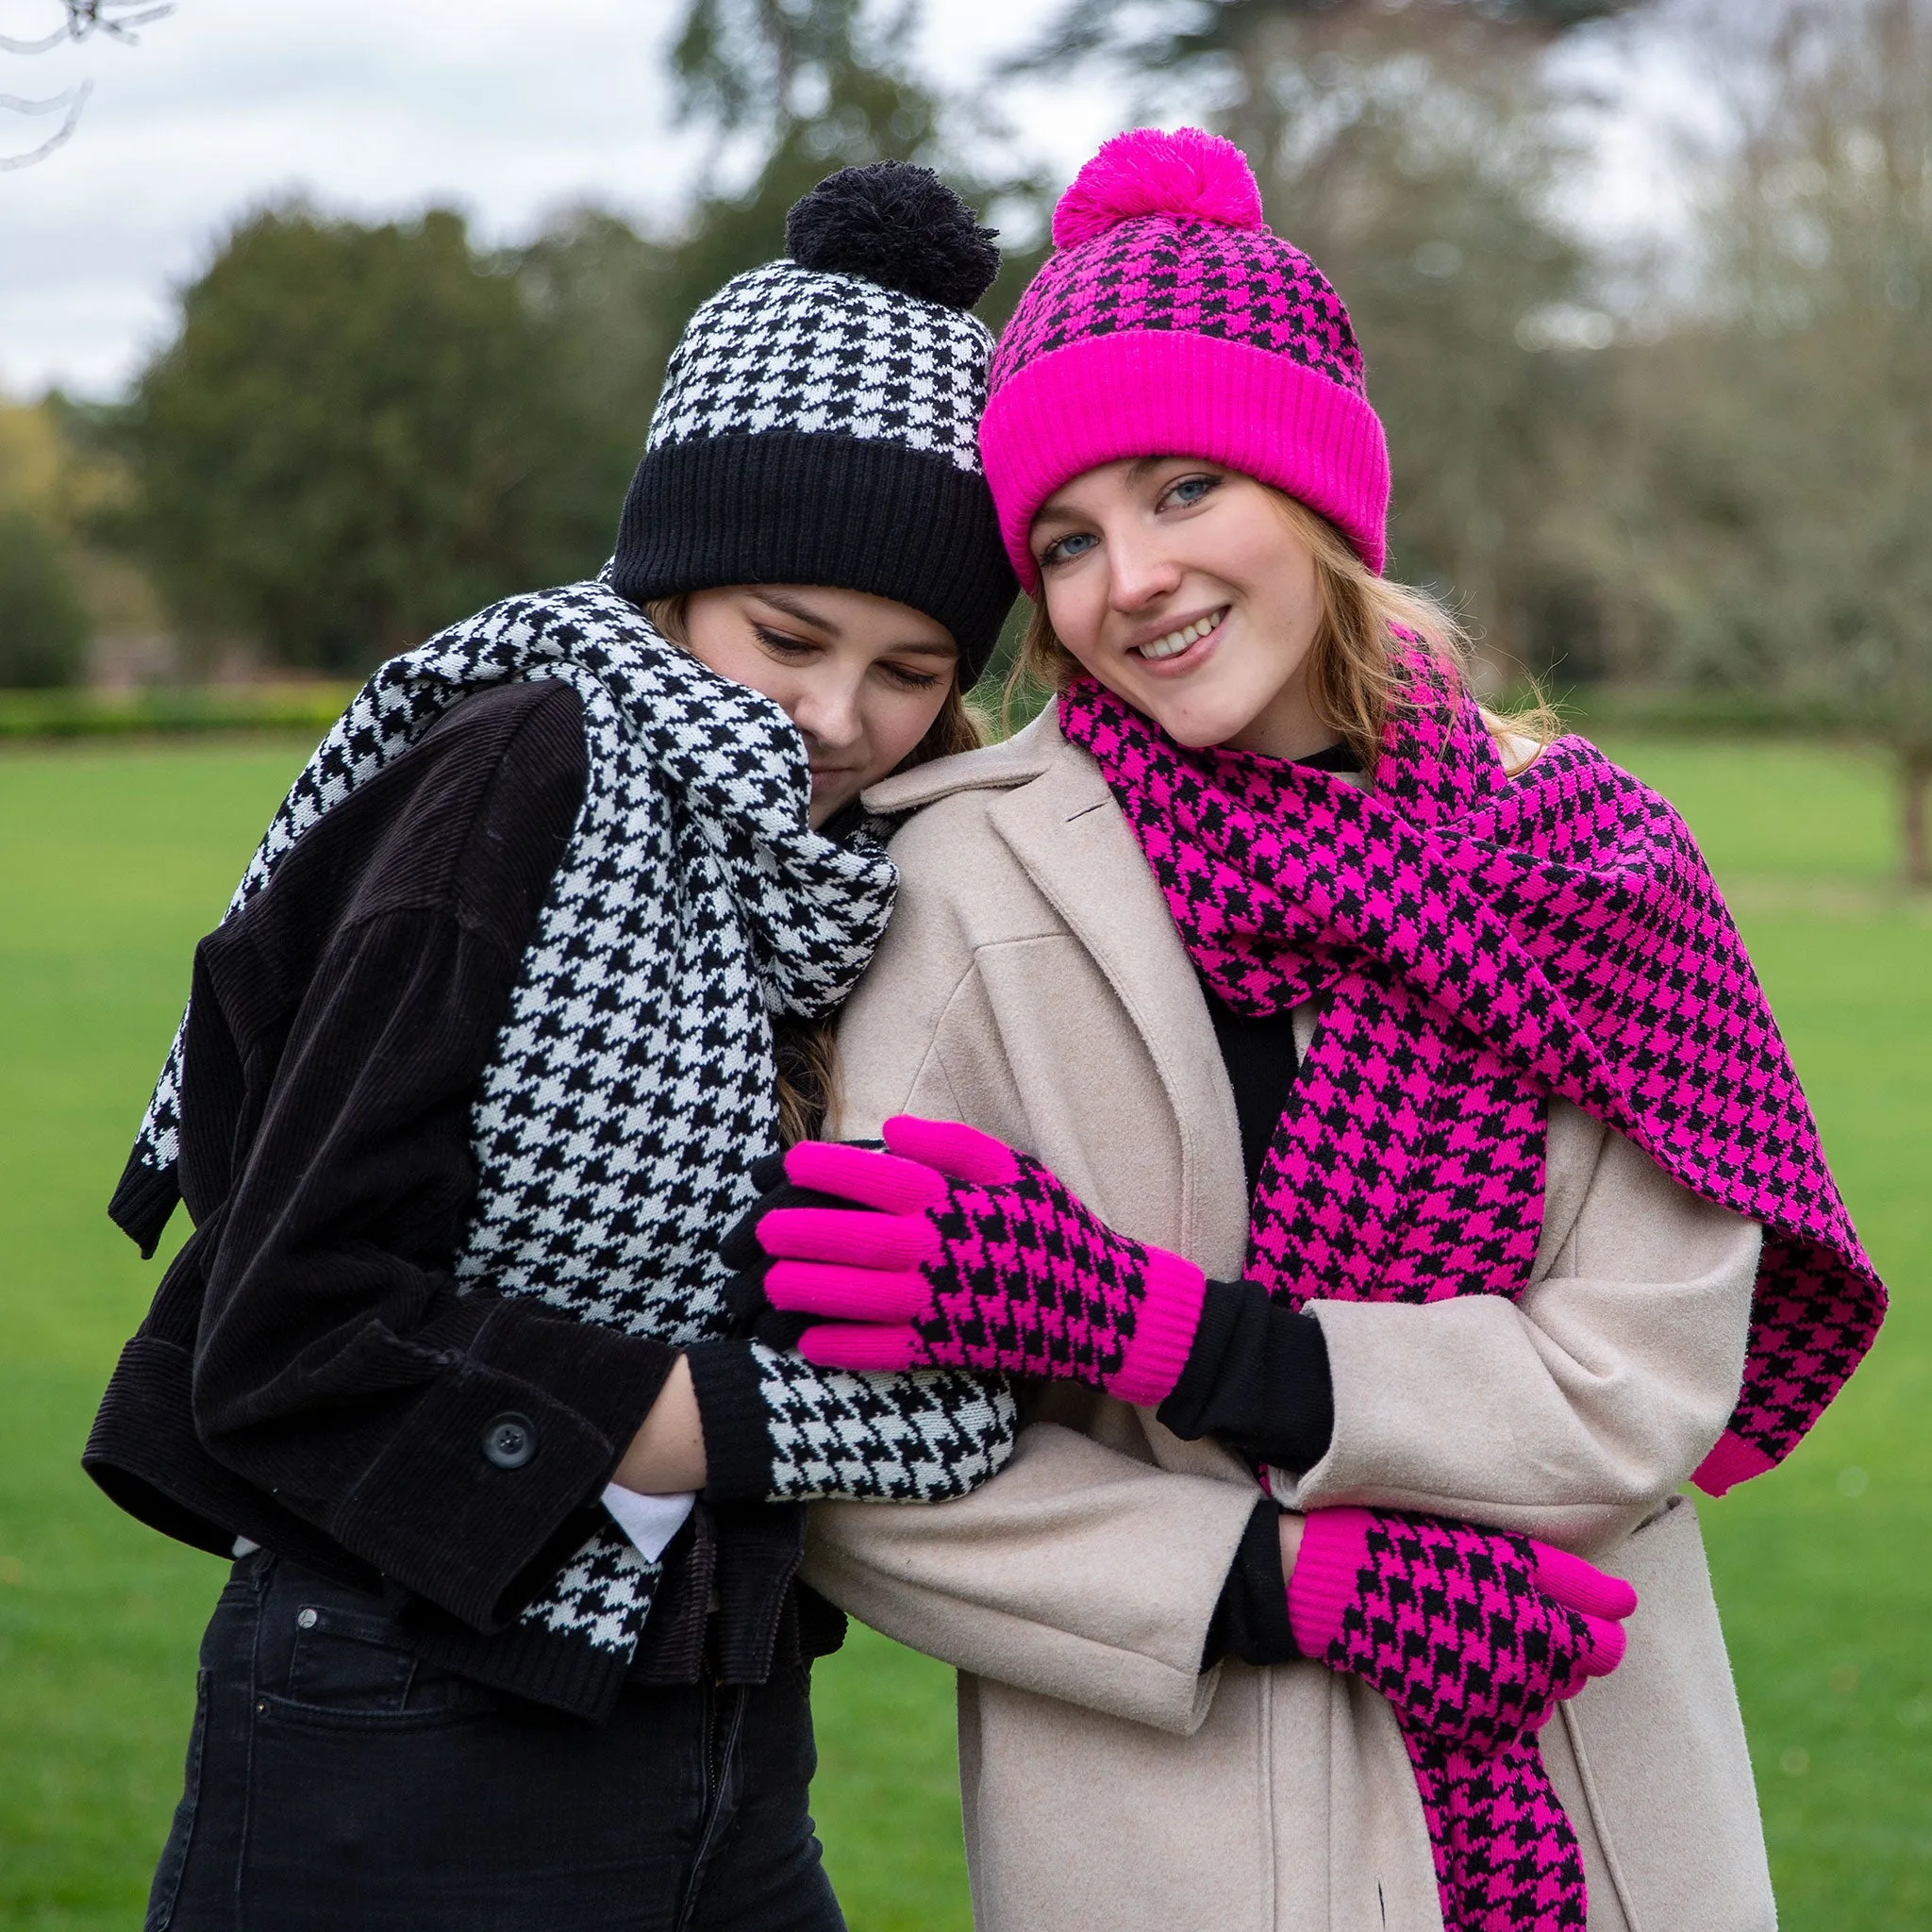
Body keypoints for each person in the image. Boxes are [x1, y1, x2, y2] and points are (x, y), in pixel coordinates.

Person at [746, 129, 1885, 1932]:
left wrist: (1176, 1339)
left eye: (1185, 488)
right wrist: (1271, 1581)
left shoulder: (1583, 869)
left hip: (1599, 1797)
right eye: (1065, 539)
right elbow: (843, 1465)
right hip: (1176, 1836)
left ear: (1324, 498)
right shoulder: (960, 891)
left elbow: (1642, 1379)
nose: (1131, 581)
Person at [84, 162, 1022, 1932]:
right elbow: (288, 1332)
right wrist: (833, 1422)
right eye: (789, 639)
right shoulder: (523, 768)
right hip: (404, 1726)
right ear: (672, 585)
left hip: (724, 1731)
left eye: (909, 670)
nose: (836, 718)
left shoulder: (830, 871)